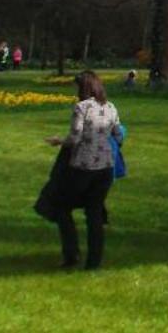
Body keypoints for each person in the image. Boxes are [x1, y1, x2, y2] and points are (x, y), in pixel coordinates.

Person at [44, 70, 120, 271]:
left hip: (83, 167)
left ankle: (71, 254)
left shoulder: (82, 107)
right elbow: (118, 134)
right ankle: (94, 262)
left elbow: (75, 138)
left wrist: (58, 141)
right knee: (94, 213)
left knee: (61, 208)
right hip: (105, 168)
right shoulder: (111, 107)